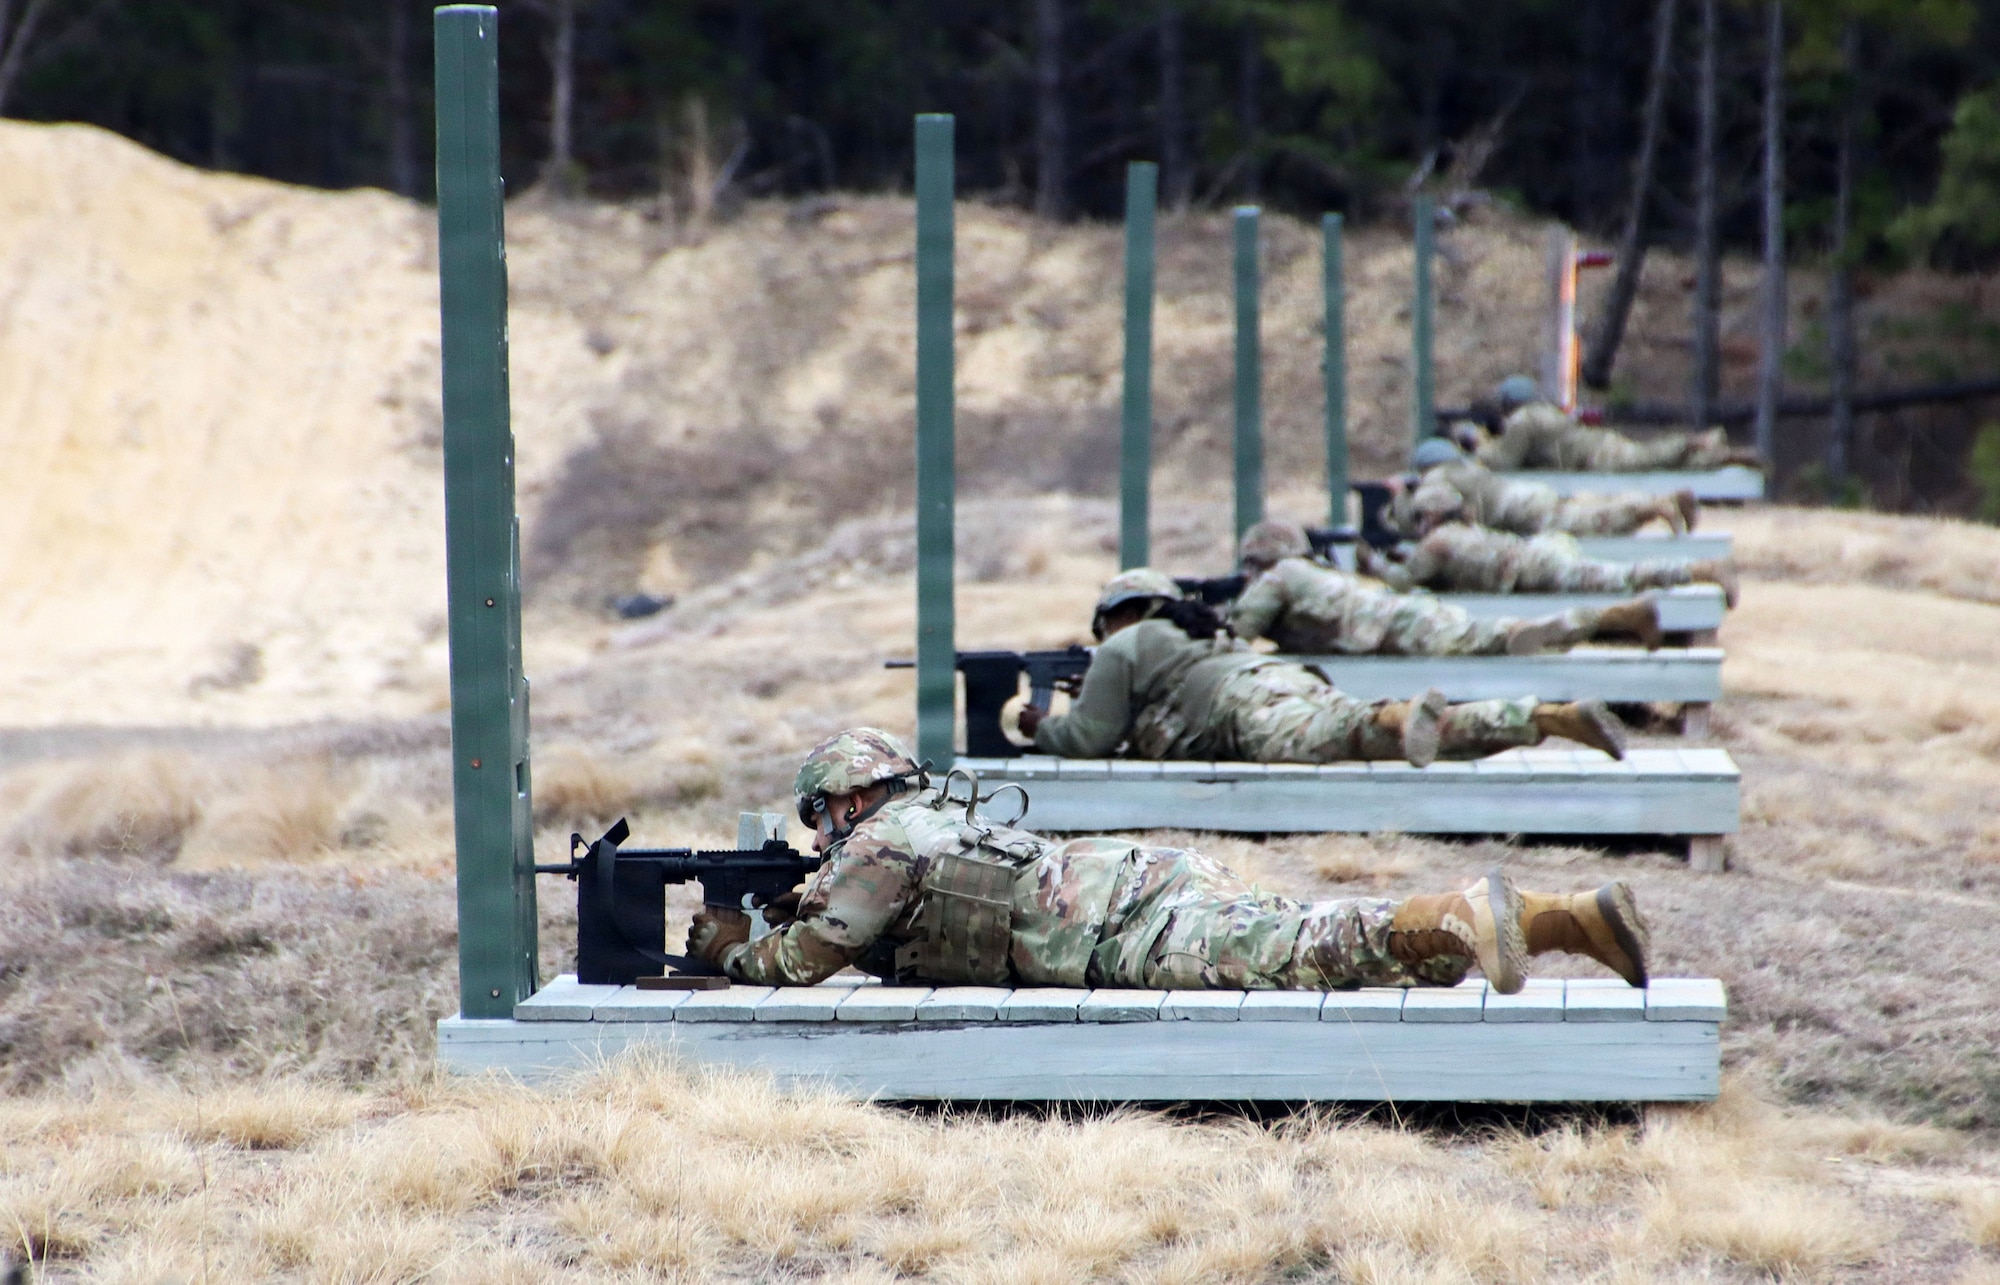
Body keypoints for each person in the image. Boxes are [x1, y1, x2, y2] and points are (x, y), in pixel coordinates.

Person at [685, 728, 1654, 993]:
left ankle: (1485, 916)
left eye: (823, 819)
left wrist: (730, 948)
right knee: (1301, 933)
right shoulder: (931, 815)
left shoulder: (878, 842)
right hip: (1136, 880)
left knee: (1310, 949)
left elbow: (813, 954)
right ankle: (1561, 918)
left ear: (849, 798)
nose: (820, 838)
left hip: (1120, 928)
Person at [1013, 568, 1628, 766]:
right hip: (1283, 679)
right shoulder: (1193, 626)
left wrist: (1037, 724)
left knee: (1354, 735)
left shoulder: (1125, 643)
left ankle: (1401, 714)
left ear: (1116, 614)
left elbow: (1090, 738)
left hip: (1243, 707)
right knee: (1369, 730)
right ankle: (1542, 718)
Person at [1229, 519, 1665, 653]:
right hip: (1407, 613)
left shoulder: (1278, 578)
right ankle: (1609, 621)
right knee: (1495, 633)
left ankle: (1611, 618)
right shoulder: (1311, 573)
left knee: (1500, 638)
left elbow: (1237, 636)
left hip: (1400, 628)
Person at [1358, 520, 1740, 608]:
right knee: (1609, 574)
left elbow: (1404, 584)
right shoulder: (1460, 529)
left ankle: (1701, 570)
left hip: (1533, 567)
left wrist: (1370, 563)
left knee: (1616, 580)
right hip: (1540, 550)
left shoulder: (1435, 542)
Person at [1393, 438, 1697, 540]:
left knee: (1589, 523)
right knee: (1589, 511)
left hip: (1521, 508)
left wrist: (1398, 495)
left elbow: (1415, 519)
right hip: (1526, 495)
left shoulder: (1437, 478)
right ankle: (1656, 502)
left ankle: (1653, 508)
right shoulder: (1466, 468)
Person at [1455, 376, 1765, 472]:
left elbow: (1505, 462)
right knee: (1663, 466)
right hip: (1598, 445)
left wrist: (1477, 445)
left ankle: (1697, 442)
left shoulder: (1524, 420)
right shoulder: (1543, 412)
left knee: (1651, 458)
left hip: (1597, 457)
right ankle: (1721, 457)